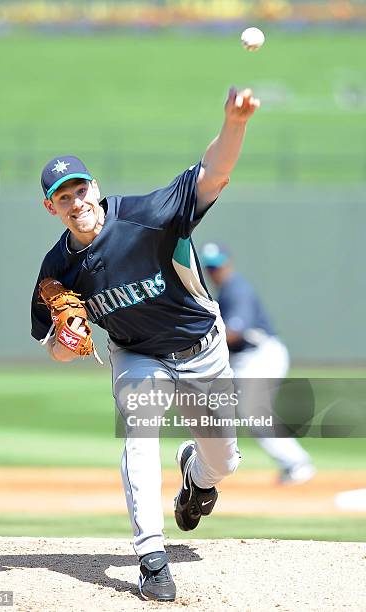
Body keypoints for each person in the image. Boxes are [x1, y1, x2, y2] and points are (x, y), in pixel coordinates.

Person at [31, 87, 259, 602]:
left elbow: (213, 174)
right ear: (52, 207)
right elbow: (55, 347)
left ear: (96, 187)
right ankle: (151, 557)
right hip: (137, 355)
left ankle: (197, 481)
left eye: (80, 189)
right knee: (138, 431)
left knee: (223, 462)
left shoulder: (148, 215)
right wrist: (66, 341)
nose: (76, 202)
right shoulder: (58, 269)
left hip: (202, 347)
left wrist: (234, 122)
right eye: (63, 197)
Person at [200, 242, 316, 485]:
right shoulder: (225, 291)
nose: (214, 272)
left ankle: (297, 463)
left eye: (217, 266)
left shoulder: (237, 290)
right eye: (210, 267)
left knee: (253, 412)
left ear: (228, 264)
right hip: (244, 359)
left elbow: (234, 333)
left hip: (261, 356)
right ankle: (213, 463)